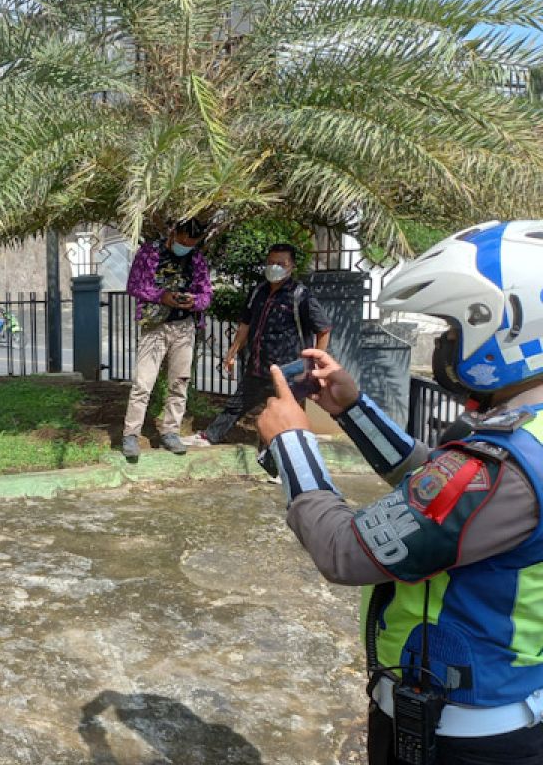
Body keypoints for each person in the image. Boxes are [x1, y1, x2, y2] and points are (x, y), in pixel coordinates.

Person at [257, 220, 543, 764]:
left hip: (461, 739)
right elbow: (436, 484)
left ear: (508, 326)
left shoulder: (510, 466)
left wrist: (292, 444)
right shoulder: (526, 439)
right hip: (483, 717)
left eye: (455, 330)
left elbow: (345, 550)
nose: (444, 345)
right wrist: (350, 408)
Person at [187, 243, 331, 446]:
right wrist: (232, 352)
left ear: (292, 266)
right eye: (271, 262)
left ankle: (279, 459)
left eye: (281, 263)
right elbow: (245, 324)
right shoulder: (258, 291)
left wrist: (314, 362)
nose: (275, 267)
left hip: (287, 371)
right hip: (257, 365)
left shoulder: (301, 295)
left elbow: (323, 328)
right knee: (236, 405)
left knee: (284, 417)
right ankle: (210, 437)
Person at [121, 217, 214, 457]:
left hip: (184, 326)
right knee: (143, 383)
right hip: (155, 325)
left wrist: (195, 301)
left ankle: (170, 432)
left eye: (192, 242)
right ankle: (130, 435)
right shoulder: (150, 253)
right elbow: (134, 285)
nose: (186, 245)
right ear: (174, 233)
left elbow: (206, 295)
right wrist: (161, 296)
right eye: (183, 240)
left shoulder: (197, 259)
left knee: (179, 383)